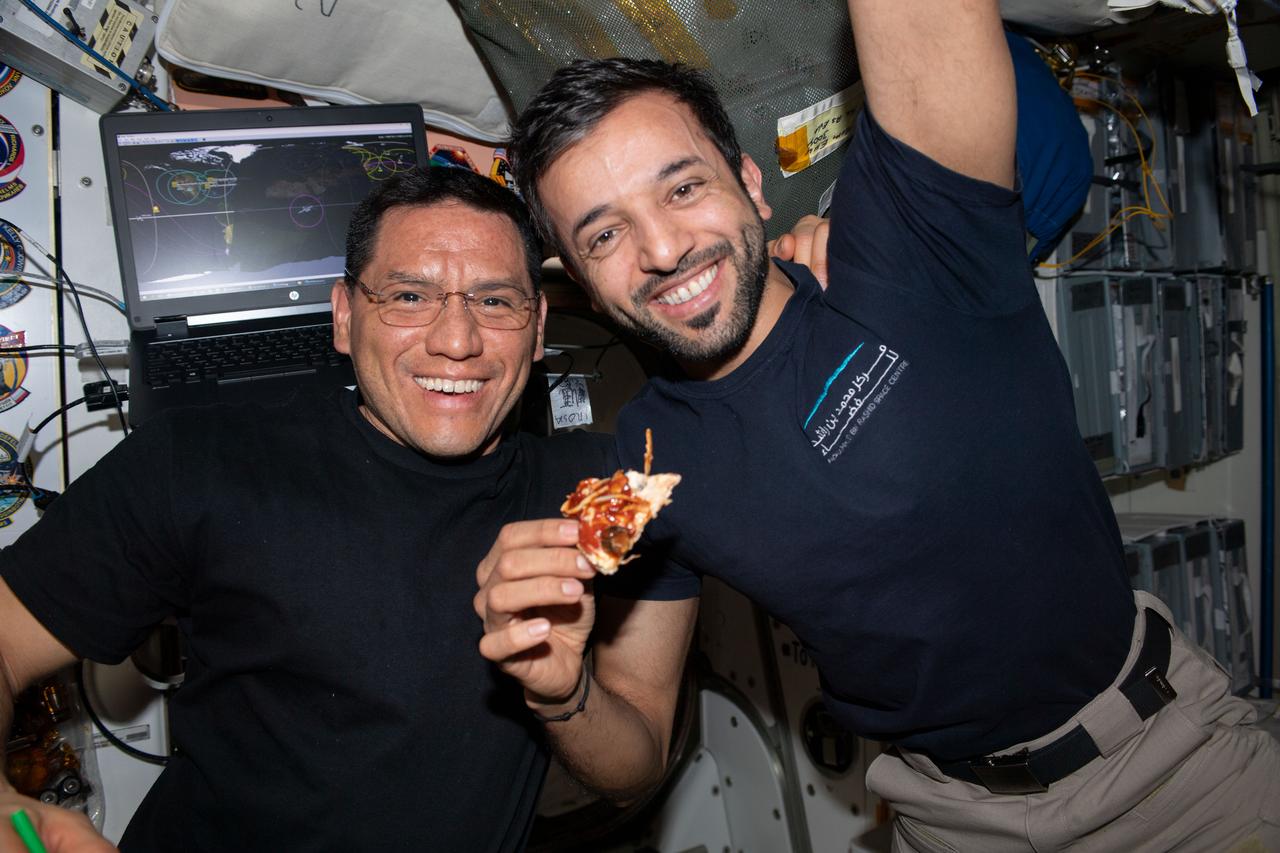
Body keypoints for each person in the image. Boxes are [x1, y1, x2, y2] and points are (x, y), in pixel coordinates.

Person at [475, 1, 1280, 849]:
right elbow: (635, 751)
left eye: (683, 187)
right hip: (953, 823)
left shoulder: (913, 241)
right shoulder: (647, 460)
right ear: (578, 281)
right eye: (605, 234)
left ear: (749, 181)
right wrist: (559, 694)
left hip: (1178, 774)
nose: (665, 248)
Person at [0, 165, 621, 852]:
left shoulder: (594, 500)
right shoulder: (200, 461)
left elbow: (638, 763)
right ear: (345, 317)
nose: (456, 340)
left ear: (537, 331)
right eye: (409, 295)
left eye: (496, 301)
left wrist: (565, 697)